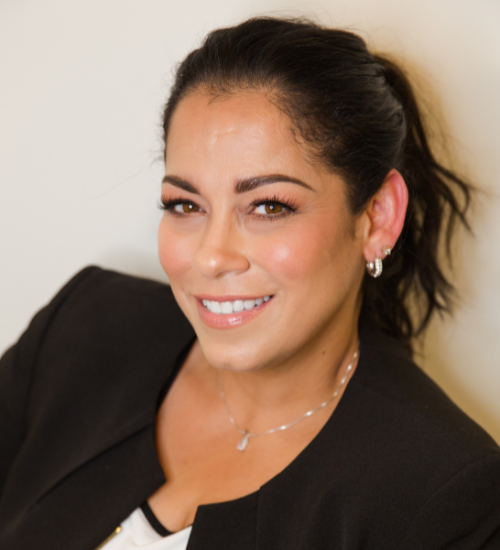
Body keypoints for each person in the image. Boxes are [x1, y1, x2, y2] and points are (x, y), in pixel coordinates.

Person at [0, 16, 499, 550]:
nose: (211, 257)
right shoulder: (81, 327)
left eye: (268, 206)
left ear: (377, 217)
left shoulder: (443, 496)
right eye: (185, 205)